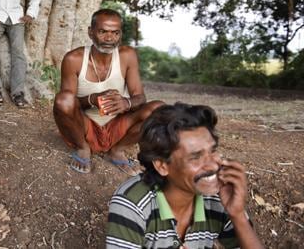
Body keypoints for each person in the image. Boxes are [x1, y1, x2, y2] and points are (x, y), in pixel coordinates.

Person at [106, 103, 263, 249]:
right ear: (162, 166)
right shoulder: (133, 203)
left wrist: (237, 215)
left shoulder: (219, 195)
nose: (214, 165)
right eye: (195, 157)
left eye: (213, 151)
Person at [53, 8, 163, 175]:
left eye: (115, 33)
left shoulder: (127, 55)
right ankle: (83, 149)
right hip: (85, 128)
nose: (109, 38)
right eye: (103, 32)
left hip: (118, 128)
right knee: (64, 100)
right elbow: (68, 104)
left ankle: (117, 151)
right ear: (91, 32)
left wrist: (127, 103)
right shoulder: (73, 59)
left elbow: (140, 97)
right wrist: (92, 100)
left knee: (159, 109)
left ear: (120, 35)